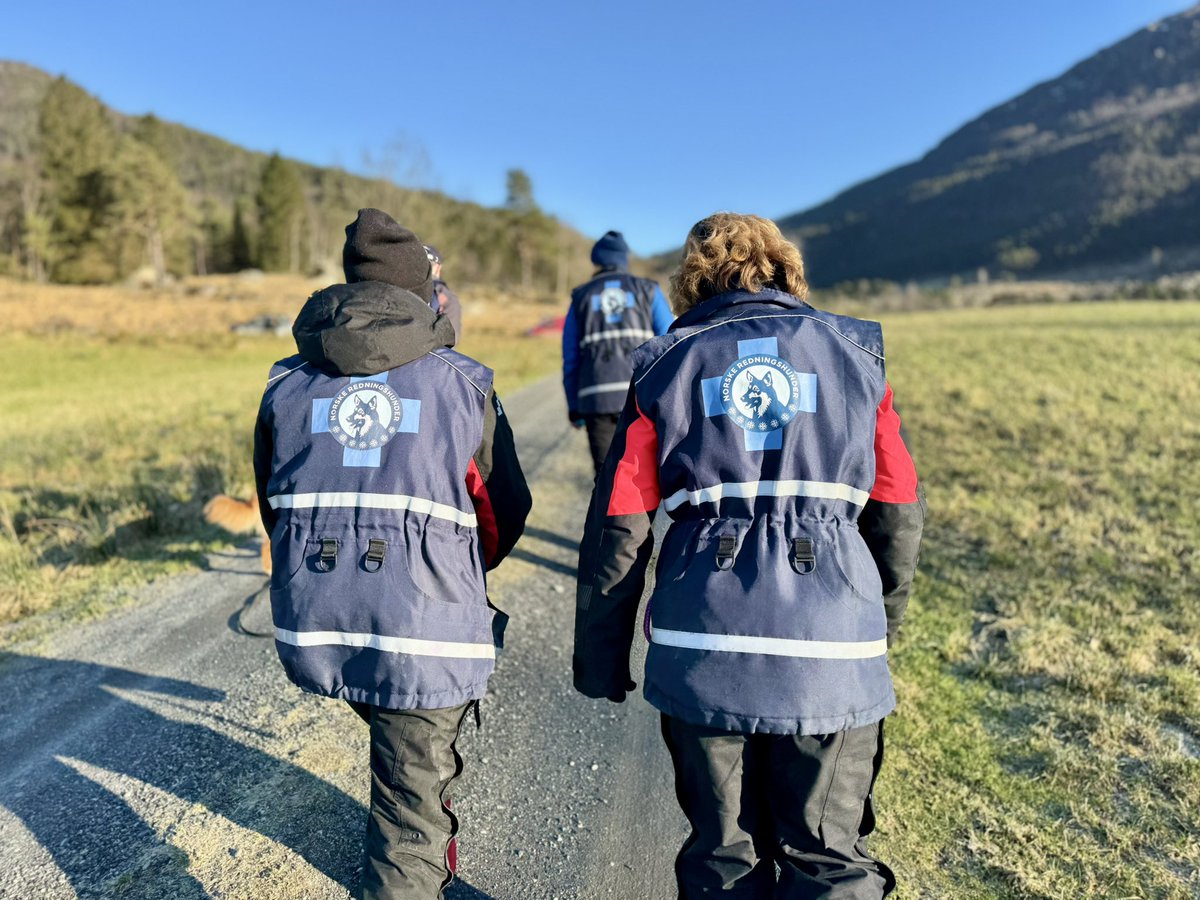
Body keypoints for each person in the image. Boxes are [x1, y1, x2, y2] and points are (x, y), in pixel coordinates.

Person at [572, 213, 925, 898]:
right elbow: (898, 507)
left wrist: (601, 658)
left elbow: (620, 523)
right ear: (785, 268)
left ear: (691, 279)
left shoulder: (666, 363)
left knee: (721, 858)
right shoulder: (856, 356)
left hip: (703, 641)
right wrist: (878, 622)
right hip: (833, 646)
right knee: (828, 858)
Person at [254, 208, 532, 899]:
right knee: (410, 805)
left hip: (319, 613)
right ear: (424, 293)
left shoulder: (285, 385)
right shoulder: (462, 385)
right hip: (423, 618)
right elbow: (504, 513)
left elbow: (274, 504)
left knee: (398, 744)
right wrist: (455, 565)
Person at [562, 230, 673, 475]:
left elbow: (570, 358)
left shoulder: (580, 297)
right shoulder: (649, 290)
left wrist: (574, 406)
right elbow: (670, 345)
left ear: (596, 261)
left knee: (605, 481)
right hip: (641, 399)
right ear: (624, 259)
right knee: (643, 479)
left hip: (595, 401)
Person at [423, 244, 464, 344]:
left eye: (429, 265)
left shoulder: (446, 298)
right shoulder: (448, 298)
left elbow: (451, 340)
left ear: (438, 267)